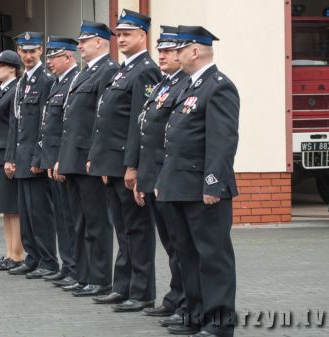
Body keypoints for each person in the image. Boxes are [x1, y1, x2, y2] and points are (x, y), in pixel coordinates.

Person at [155, 25, 240, 337]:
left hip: (203, 190)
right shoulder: (188, 86)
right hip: (178, 186)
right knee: (187, 255)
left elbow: (222, 142)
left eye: (179, 49)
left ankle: (218, 323)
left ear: (194, 51)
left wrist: (213, 184)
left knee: (212, 257)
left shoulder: (218, 87)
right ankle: (195, 315)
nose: (174, 54)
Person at [86, 9, 161, 311]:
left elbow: (138, 124)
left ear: (143, 36)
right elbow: (105, 120)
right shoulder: (121, 70)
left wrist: (133, 165)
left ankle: (141, 292)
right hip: (112, 164)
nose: (122, 39)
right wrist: (100, 160)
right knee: (122, 228)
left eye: (128, 33)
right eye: (120, 34)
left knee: (137, 229)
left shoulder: (145, 70)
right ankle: (123, 285)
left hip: (127, 165)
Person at [52, 21, 118, 296]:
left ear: (100, 42)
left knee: (96, 222)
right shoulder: (82, 74)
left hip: (90, 160)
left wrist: (96, 157)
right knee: (77, 222)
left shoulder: (109, 71)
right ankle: (82, 274)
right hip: (72, 159)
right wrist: (61, 158)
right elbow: (71, 121)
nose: (79, 46)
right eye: (79, 41)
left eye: (85, 41)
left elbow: (102, 121)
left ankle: (100, 278)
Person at [133, 26, 188, 322]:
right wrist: (143, 177)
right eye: (161, 50)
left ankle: (183, 302)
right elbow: (147, 133)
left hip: (169, 177)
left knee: (180, 245)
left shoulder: (184, 86)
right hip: (154, 175)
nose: (163, 55)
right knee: (170, 244)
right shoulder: (163, 85)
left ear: (182, 54)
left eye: (168, 51)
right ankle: (174, 297)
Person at [6, 32, 59, 279]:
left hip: (35, 159)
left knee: (41, 213)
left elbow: (46, 123)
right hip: (22, 157)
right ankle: (33, 257)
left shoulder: (46, 80)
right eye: (24, 51)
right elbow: (15, 124)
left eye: (33, 51)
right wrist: (11, 157)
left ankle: (48, 261)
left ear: (41, 51)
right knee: (26, 212)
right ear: (18, 51)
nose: (28, 56)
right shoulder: (21, 81)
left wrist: (40, 156)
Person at [37, 36, 80, 284]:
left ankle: (74, 267)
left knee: (70, 218)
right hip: (53, 159)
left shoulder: (74, 81)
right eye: (49, 57)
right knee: (62, 218)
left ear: (68, 57)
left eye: (53, 57)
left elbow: (68, 127)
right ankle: (68, 266)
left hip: (63, 160)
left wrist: (60, 159)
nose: (49, 61)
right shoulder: (57, 83)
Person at [0, 50, 25, 271]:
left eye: (0, 65)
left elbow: (14, 127)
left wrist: (11, 158)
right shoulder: (1, 91)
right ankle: (10, 252)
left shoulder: (15, 89)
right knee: (5, 207)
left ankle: (17, 254)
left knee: (13, 207)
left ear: (12, 68)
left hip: (6, 154)